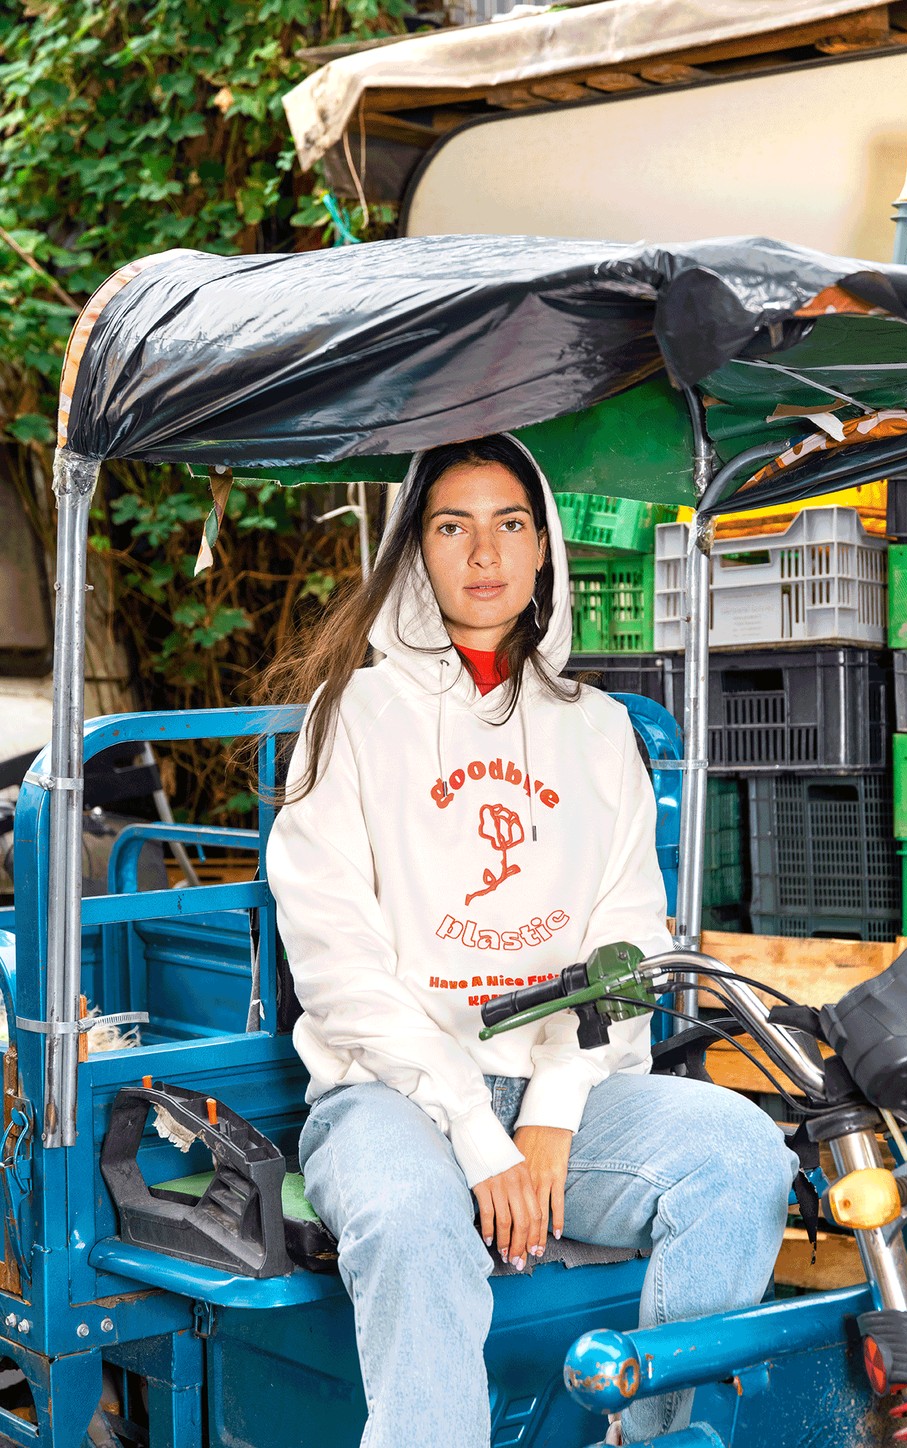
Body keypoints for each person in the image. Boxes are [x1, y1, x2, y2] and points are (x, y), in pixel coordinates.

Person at [265, 434, 794, 1448]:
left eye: (510, 523)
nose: (484, 553)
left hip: (566, 1097)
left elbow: (627, 938)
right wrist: (473, 1130)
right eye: (451, 526)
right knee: (415, 1223)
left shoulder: (598, 730)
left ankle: (649, 1433)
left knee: (738, 1155)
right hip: (388, 1099)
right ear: (413, 550)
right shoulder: (354, 718)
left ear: (545, 546)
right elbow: (338, 969)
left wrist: (551, 1108)